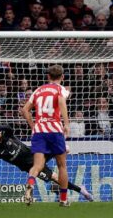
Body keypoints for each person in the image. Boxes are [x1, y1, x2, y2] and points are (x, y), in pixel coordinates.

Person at [0, 124, 93, 201]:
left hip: (37, 154)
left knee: (66, 148)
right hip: (32, 167)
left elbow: (7, 127)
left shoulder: (8, 135)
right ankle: (82, 191)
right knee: (56, 178)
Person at [22, 65, 71, 207]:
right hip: (55, 130)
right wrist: (66, 123)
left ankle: (30, 183)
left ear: (48, 76)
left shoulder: (38, 91)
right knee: (62, 165)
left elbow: (25, 110)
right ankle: (63, 199)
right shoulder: (60, 89)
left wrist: (33, 126)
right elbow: (61, 101)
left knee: (37, 165)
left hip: (39, 131)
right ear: (62, 77)